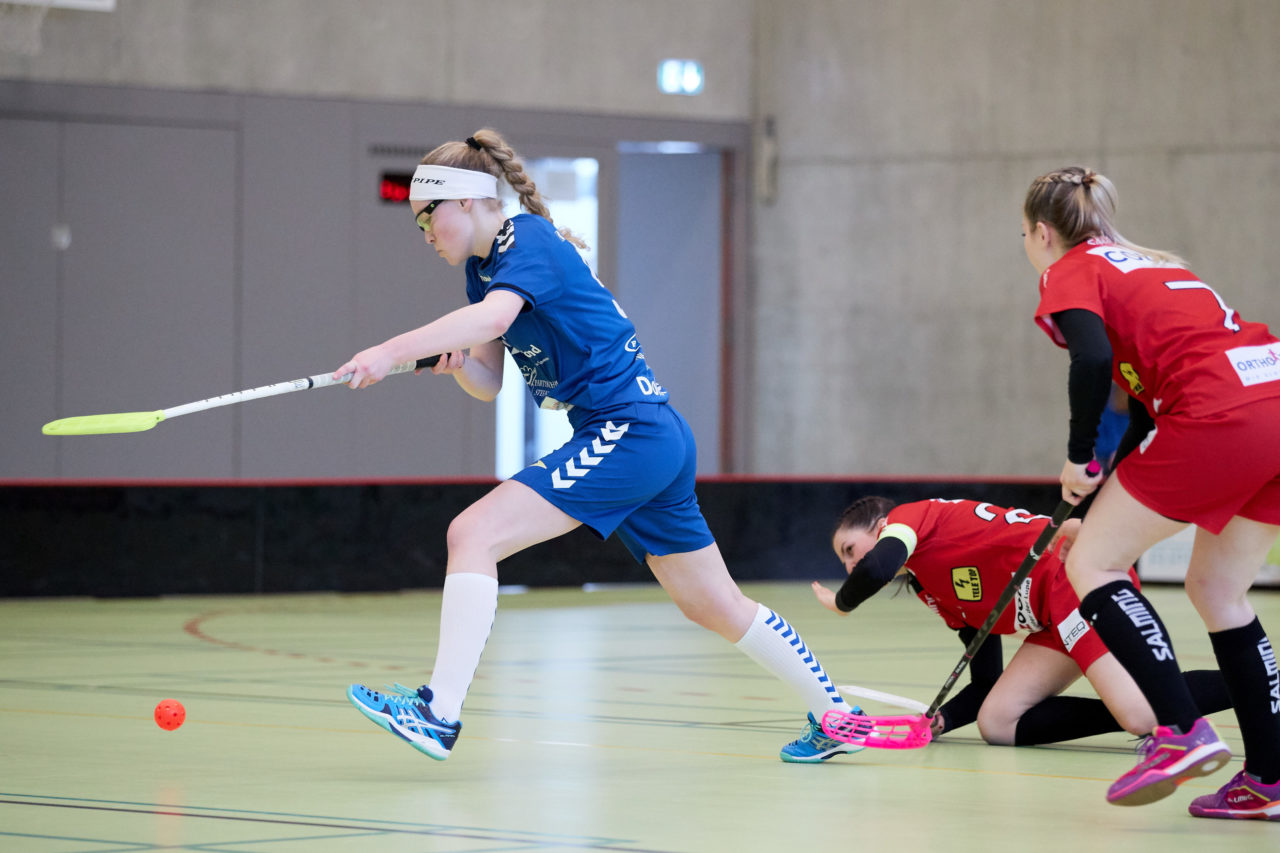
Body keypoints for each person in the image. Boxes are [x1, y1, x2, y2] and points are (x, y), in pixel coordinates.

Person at [333, 128, 858, 764]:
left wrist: (391, 348)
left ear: (465, 202)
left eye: (428, 219)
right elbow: (489, 379)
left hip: (629, 431)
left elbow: (496, 322)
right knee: (714, 605)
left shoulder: (525, 238)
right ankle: (840, 719)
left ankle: (437, 712)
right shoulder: (483, 274)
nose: (426, 236)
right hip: (645, 438)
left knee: (471, 535)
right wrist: (446, 365)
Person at [1023, 165, 1280, 819]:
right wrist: (1107, 477)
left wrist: (1078, 456)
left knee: (1090, 561)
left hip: (1218, 413)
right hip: (1270, 401)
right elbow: (1143, 405)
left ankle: (1179, 729)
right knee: (1218, 590)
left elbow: (1091, 361)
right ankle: (1270, 779)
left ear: (1041, 232)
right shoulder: (1148, 263)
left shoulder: (1071, 268)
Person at [811, 495, 1231, 746]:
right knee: (998, 722)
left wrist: (843, 604)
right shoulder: (929, 589)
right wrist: (943, 721)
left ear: (881, 526)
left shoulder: (910, 518)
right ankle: (1136, 704)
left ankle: (1261, 681)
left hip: (1074, 580)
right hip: (1051, 619)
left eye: (849, 549)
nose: (850, 566)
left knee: (1139, 717)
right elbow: (984, 680)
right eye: (843, 560)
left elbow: (877, 568)